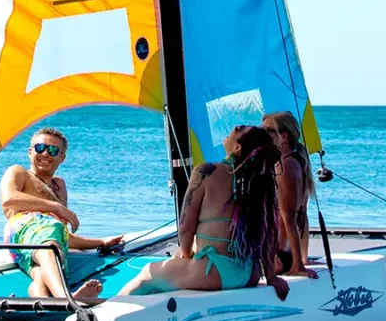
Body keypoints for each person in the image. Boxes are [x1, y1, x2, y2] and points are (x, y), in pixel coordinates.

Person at [118, 125, 290, 300]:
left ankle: (109, 312)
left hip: (214, 272)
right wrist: (271, 276)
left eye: (239, 129)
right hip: (248, 273)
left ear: (237, 147)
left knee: (147, 274)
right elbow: (268, 233)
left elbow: (185, 227)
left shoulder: (206, 172)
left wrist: (185, 256)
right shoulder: (259, 182)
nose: (235, 127)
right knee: (175, 274)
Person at [0, 127, 123, 299]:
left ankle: (46, 311)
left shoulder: (59, 186)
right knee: (50, 248)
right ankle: (66, 300)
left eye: (52, 150)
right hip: (24, 229)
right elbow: (9, 199)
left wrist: (100, 241)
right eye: (40, 148)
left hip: (45, 236)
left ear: (62, 157)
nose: (45, 154)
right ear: (30, 151)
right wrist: (55, 207)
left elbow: (61, 235)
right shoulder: (19, 172)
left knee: (41, 274)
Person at [261, 111, 319, 279]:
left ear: (283, 136)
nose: (262, 134)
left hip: (276, 257)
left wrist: (297, 265)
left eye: (267, 131)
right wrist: (303, 257)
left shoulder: (285, 167)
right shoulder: (295, 162)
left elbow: (289, 218)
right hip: (281, 254)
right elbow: (303, 216)